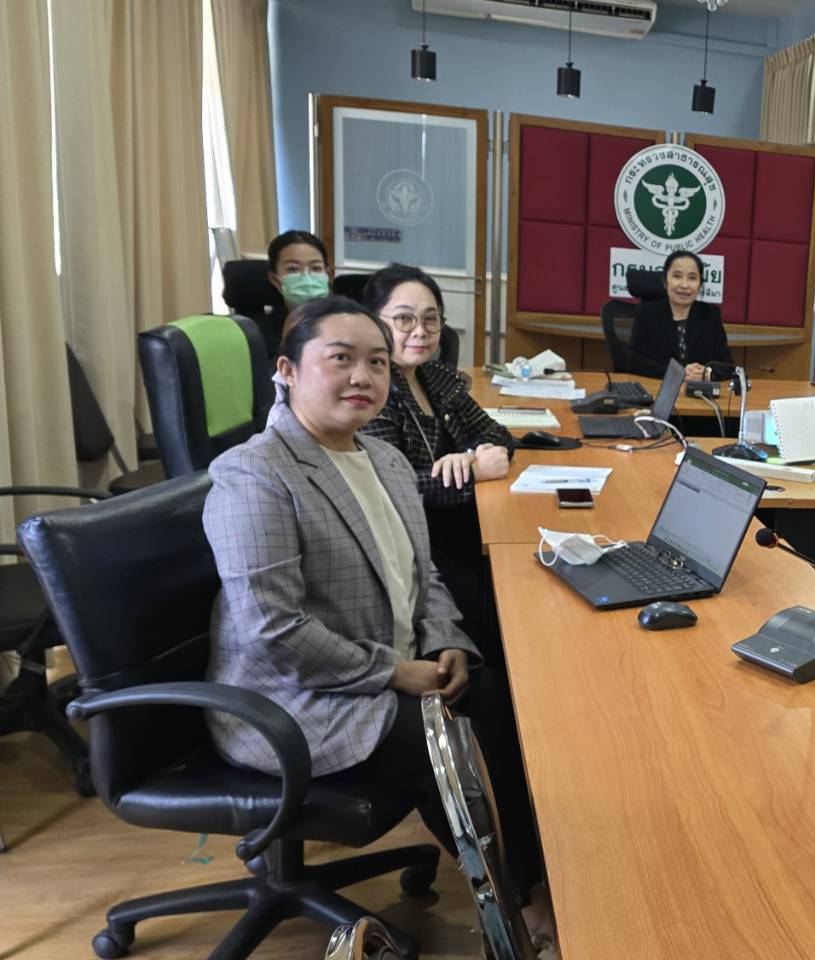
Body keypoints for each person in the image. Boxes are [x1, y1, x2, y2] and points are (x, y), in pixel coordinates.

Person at [202, 296, 555, 951]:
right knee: (444, 742)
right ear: (287, 369)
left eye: (376, 363)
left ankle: (541, 884)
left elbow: (423, 574)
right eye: (340, 359)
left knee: (498, 697)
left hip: (388, 662)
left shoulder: (387, 461)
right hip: (288, 699)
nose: (362, 377)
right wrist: (394, 672)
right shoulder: (253, 473)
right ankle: (515, 911)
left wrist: (445, 639)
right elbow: (273, 632)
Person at [359, 264, 515, 656]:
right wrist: (474, 475)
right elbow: (391, 486)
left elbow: (497, 433)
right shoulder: (373, 389)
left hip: (464, 522)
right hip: (420, 544)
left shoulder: (434, 376)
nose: (421, 331)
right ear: (373, 322)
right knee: (504, 595)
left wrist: (467, 456)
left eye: (431, 319)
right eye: (404, 319)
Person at [628, 250, 733, 381]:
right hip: (659, 388)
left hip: (698, 391)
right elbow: (634, 362)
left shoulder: (710, 314)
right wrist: (677, 373)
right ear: (665, 281)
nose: (684, 285)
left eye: (692, 278)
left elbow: (727, 365)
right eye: (677, 276)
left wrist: (707, 373)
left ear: (700, 285)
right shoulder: (646, 313)